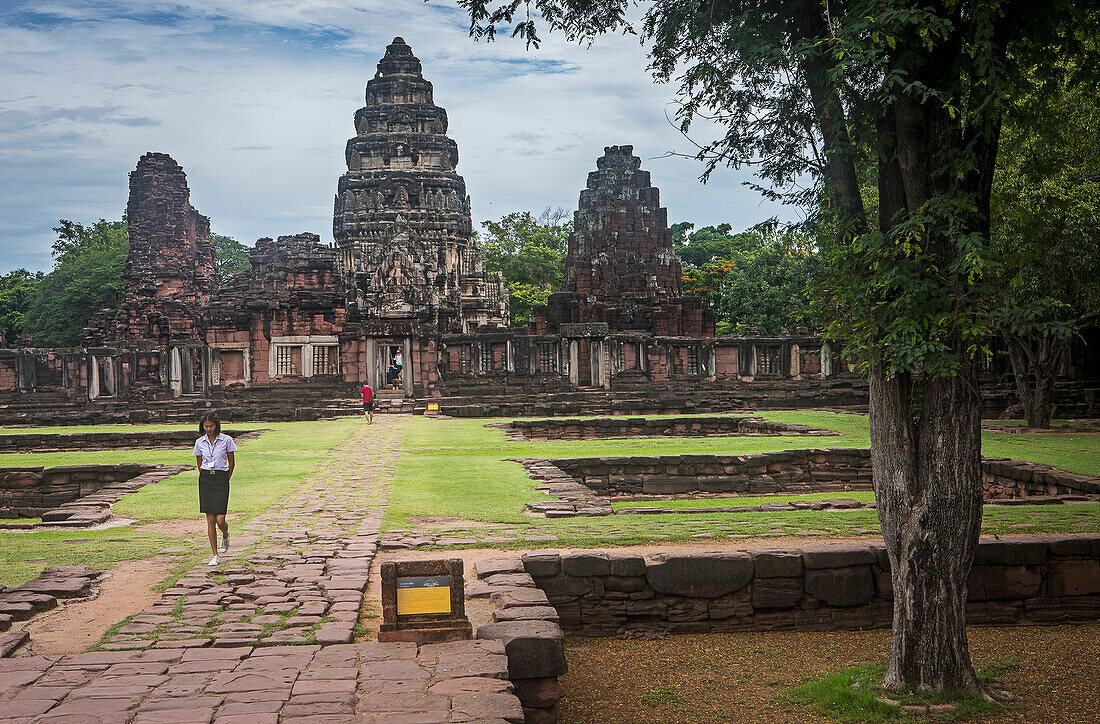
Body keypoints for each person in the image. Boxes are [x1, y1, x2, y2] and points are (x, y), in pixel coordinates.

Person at [193, 411, 236, 566]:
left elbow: (231, 463)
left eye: (211, 426)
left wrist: (225, 479)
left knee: (220, 519)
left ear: (217, 425)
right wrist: (206, 476)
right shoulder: (200, 442)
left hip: (221, 478)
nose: (209, 429)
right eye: (206, 426)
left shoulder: (226, 440)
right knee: (210, 519)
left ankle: (225, 533)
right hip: (206, 479)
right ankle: (215, 555)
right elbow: (199, 462)